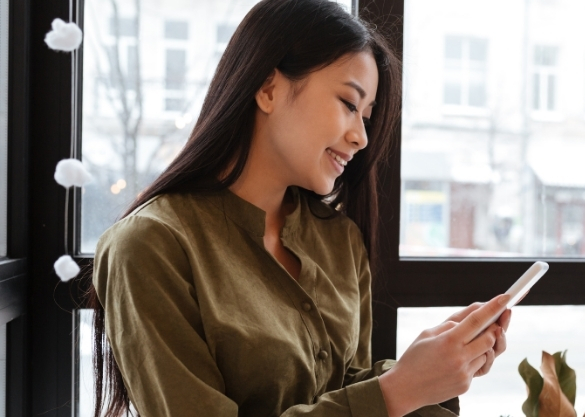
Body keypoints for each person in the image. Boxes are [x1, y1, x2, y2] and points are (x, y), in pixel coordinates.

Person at [88, 1, 513, 416]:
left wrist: (433, 371)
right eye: (349, 104)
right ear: (269, 89)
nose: (362, 137)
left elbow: (348, 390)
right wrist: (396, 392)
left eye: (367, 116)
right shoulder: (150, 247)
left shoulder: (339, 239)